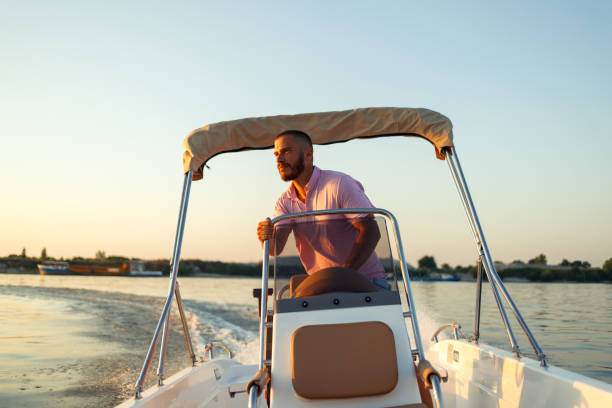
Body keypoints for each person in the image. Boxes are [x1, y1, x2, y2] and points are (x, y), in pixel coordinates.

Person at [256, 130, 390, 290]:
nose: (279, 159)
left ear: (308, 154)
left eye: (286, 151)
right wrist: (266, 238)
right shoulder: (284, 202)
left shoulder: (339, 184)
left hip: (367, 283)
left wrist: (342, 276)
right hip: (322, 287)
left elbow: (371, 232)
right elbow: (275, 249)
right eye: (276, 154)